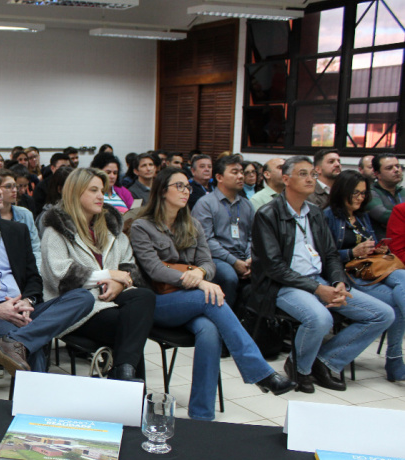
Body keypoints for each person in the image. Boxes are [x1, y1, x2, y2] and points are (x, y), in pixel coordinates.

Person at [130, 167, 295, 420]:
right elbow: (154, 270)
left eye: (188, 186)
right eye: (179, 186)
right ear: (162, 191)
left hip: (191, 302)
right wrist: (198, 281)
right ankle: (261, 373)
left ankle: (202, 414)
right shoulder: (142, 226)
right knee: (211, 299)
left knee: (209, 330)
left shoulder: (192, 224)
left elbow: (209, 264)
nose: (186, 191)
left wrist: (202, 276)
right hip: (159, 303)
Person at [250, 156, 394, 393]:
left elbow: (330, 255)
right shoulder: (268, 214)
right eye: (303, 174)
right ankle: (301, 368)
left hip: (321, 280)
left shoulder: (315, 213)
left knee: (382, 314)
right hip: (282, 285)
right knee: (321, 318)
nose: (310, 179)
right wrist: (318, 289)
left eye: (313, 175)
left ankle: (325, 361)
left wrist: (337, 282)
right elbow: (274, 267)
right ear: (286, 179)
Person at [0, 170, 95, 375]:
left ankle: (18, 342)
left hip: (23, 310)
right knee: (32, 344)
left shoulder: (16, 231)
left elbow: (33, 278)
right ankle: (32, 402)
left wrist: (28, 302)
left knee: (83, 297)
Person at [40, 168, 155, 381]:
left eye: (102, 190)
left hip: (111, 299)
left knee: (145, 298)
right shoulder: (55, 230)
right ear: (75, 192)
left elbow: (129, 265)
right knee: (131, 329)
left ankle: (123, 372)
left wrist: (120, 283)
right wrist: (108, 274)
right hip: (76, 307)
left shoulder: (110, 227)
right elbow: (61, 276)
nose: (101, 196)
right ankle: (128, 383)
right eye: (93, 190)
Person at [324, 170, 405, 382]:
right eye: (356, 193)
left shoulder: (361, 215)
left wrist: (376, 249)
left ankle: (395, 359)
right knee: (396, 305)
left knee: (403, 280)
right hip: (350, 272)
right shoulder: (328, 216)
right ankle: (395, 358)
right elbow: (326, 255)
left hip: (371, 268)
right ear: (343, 192)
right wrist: (352, 252)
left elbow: (368, 241)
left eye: (363, 193)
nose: (361, 198)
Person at [191, 154, 254, 308]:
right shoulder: (206, 203)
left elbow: (253, 236)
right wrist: (234, 261)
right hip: (215, 258)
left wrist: (249, 258)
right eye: (234, 172)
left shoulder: (246, 204)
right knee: (229, 276)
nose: (240, 176)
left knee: (266, 275)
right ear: (219, 177)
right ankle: (223, 317)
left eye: (241, 172)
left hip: (243, 257)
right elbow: (206, 240)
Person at [0, 168, 41, 271]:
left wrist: (36, 272)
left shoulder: (25, 214)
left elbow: (35, 248)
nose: (14, 190)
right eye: (8, 186)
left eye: (15, 186)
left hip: (27, 269)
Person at [365, 153, 404, 239]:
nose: (396, 170)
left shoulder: (403, 191)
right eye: (389, 168)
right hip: (383, 246)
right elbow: (383, 215)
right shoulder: (370, 192)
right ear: (377, 173)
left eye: (397, 166)